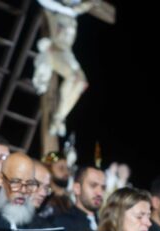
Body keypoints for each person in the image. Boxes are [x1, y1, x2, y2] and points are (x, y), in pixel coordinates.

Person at [33, 0, 96, 136]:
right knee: (74, 77)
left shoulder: (73, 12)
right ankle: (58, 118)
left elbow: (84, 5)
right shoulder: (54, 8)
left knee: (81, 82)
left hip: (67, 53)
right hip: (55, 49)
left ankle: (59, 117)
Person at [53, 165, 105, 231]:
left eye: (103, 187)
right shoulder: (61, 225)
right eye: (93, 185)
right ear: (77, 188)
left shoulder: (106, 225)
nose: (99, 193)